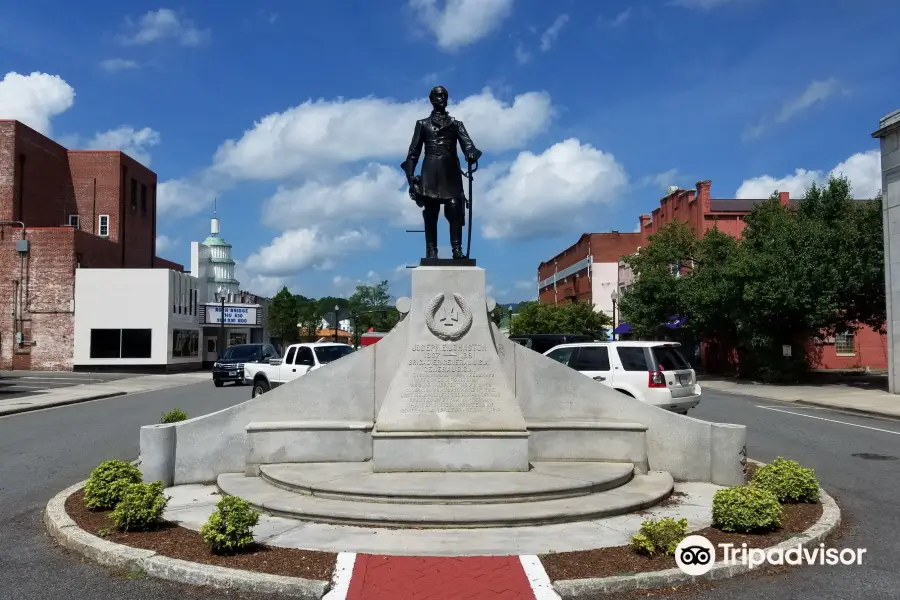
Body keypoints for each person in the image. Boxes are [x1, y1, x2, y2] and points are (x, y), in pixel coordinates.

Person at [401, 86, 482, 259]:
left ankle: (457, 249)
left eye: (444, 96)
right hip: (430, 172)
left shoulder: (456, 124)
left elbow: (469, 145)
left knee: (454, 207)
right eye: (437, 96)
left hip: (450, 172)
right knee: (431, 211)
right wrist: (410, 178)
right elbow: (413, 153)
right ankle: (431, 250)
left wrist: (471, 153)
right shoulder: (422, 124)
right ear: (431, 99)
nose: (441, 98)